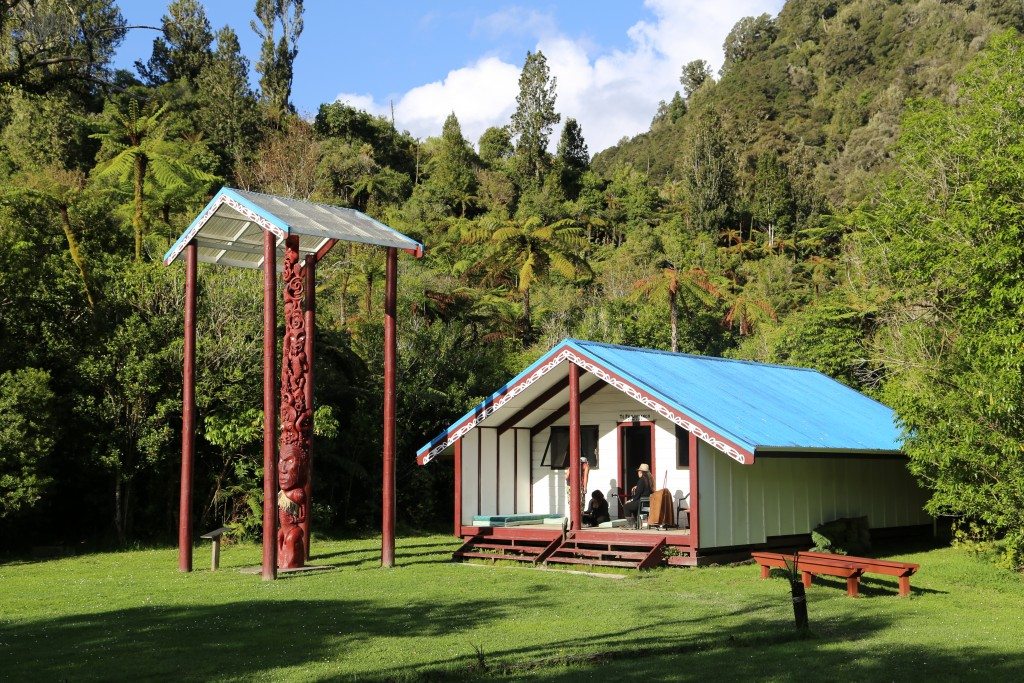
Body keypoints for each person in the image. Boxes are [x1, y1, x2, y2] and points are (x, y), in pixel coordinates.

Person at [623, 463, 654, 529]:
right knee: (633, 506)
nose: (638, 472)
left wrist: (631, 500)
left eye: (639, 471)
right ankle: (637, 523)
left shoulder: (641, 480)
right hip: (647, 503)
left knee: (626, 506)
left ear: (641, 472)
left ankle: (631, 524)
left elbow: (637, 494)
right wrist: (637, 487)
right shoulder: (649, 480)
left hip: (641, 503)